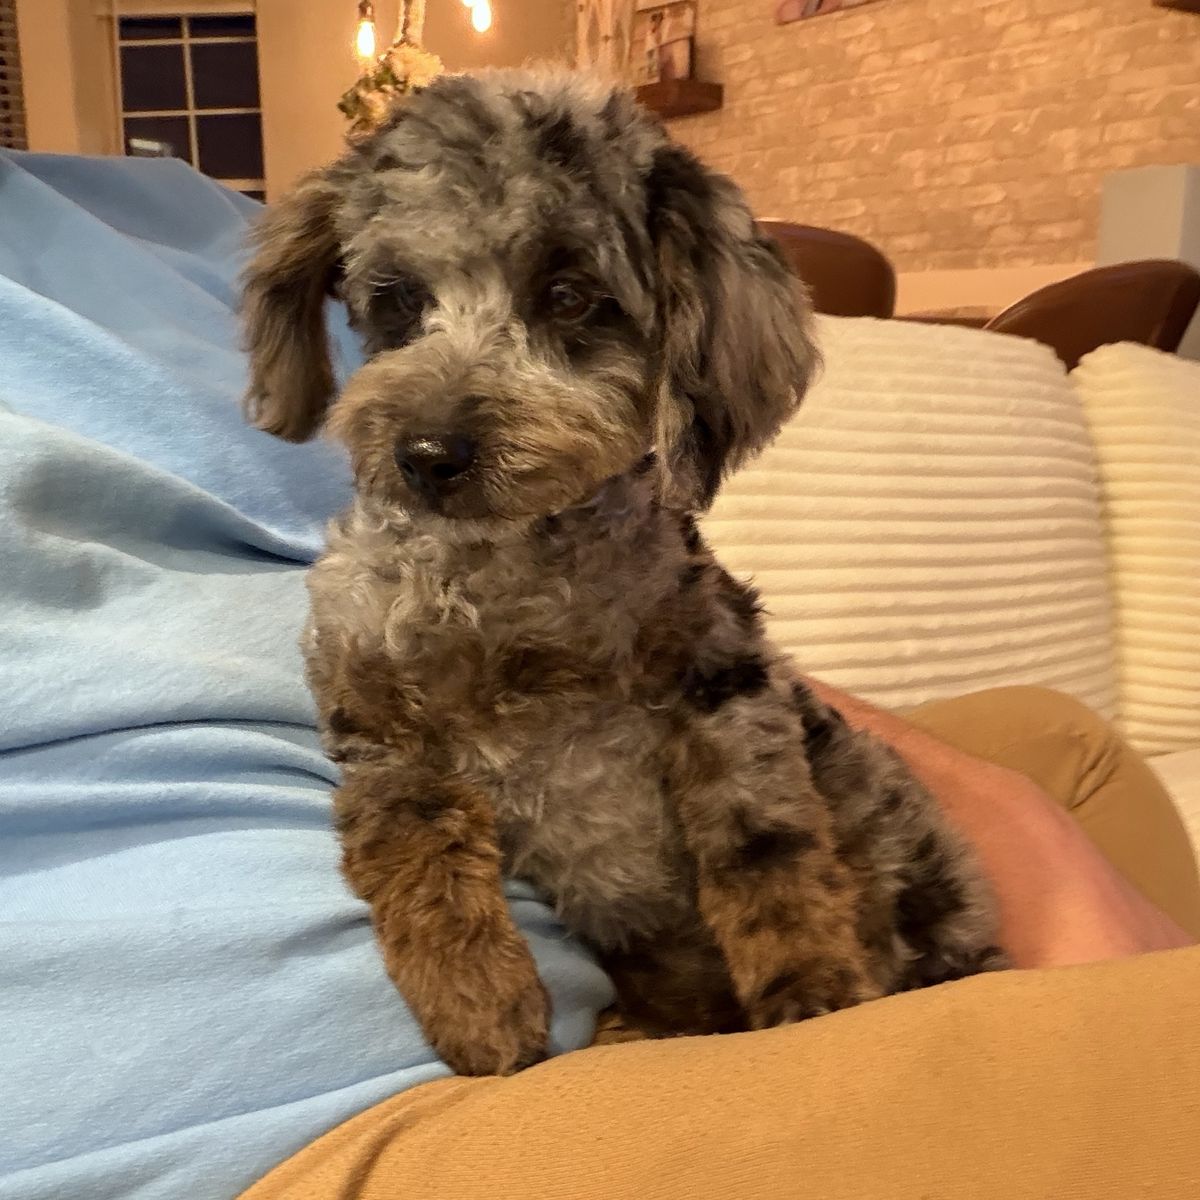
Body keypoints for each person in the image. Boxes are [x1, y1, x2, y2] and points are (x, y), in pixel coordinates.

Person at [243, 685, 1200, 1200]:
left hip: (595, 815)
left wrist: (1021, 823)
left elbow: (679, 616)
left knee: (1062, 740)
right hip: (348, 1118)